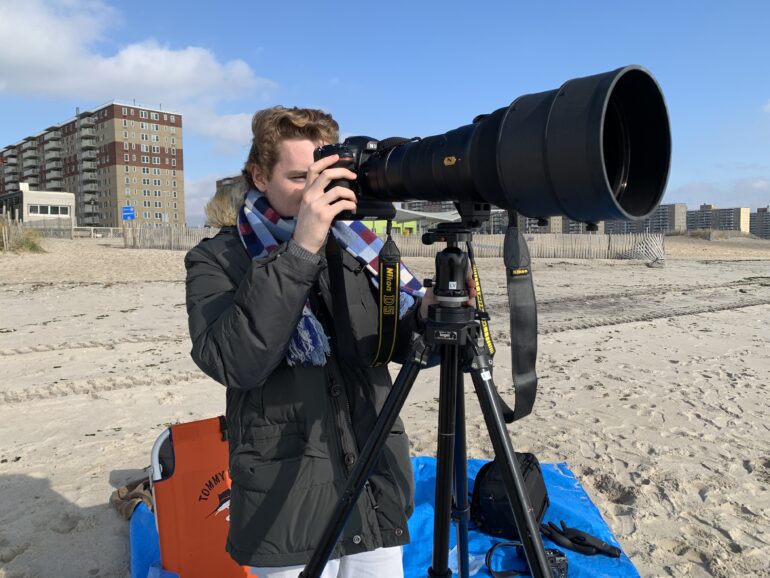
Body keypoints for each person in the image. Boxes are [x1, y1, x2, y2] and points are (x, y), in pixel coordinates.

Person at [185, 106, 436, 578]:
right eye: (300, 177)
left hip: (373, 477)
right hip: (285, 496)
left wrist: (426, 315)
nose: (315, 192)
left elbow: (389, 344)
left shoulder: (358, 245)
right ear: (259, 176)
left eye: (324, 177)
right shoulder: (216, 259)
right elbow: (234, 362)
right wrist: (301, 249)